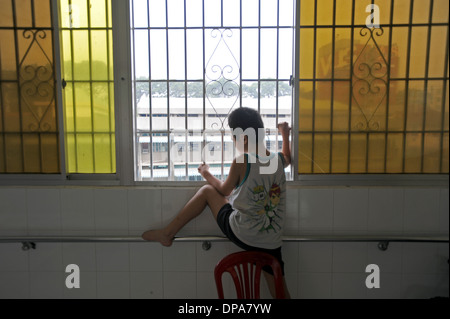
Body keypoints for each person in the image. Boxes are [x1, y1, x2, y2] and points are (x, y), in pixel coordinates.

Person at [142, 107, 292, 298]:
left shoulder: (242, 160)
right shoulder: (276, 160)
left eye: (233, 136)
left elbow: (223, 190)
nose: (232, 140)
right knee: (281, 292)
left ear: (244, 138)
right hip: (271, 240)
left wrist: (206, 173)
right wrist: (285, 134)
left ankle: (167, 233)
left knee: (206, 191)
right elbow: (287, 157)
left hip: (244, 233)